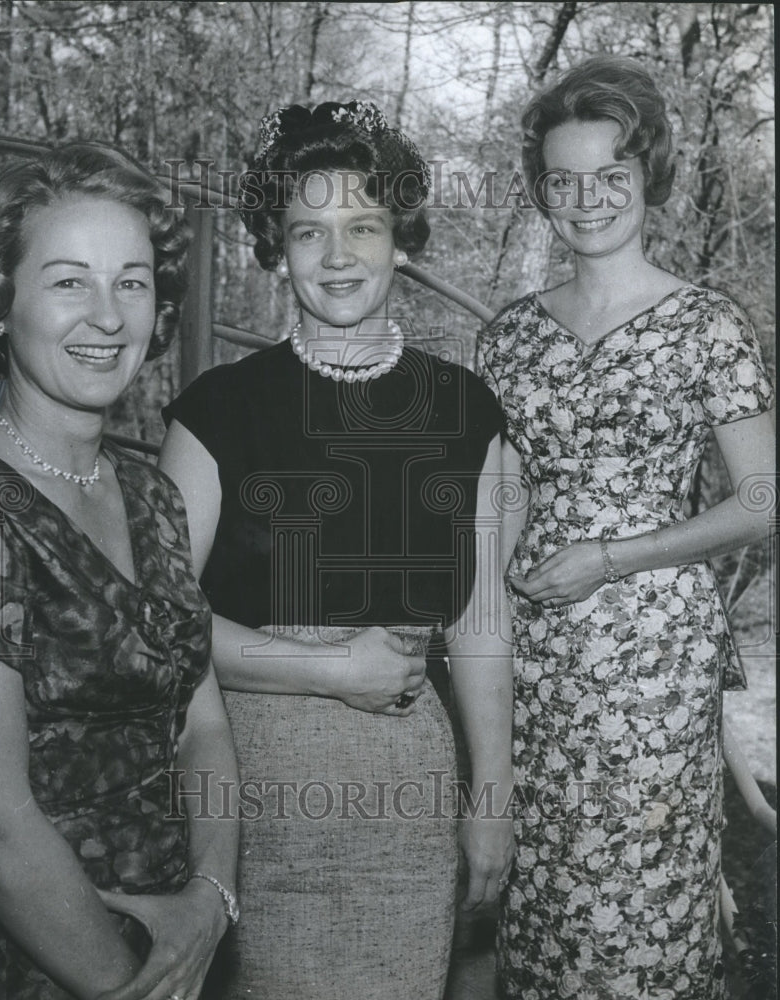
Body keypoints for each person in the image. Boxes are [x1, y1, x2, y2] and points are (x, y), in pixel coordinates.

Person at [159, 101, 514, 1000]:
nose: (339, 254)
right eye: (307, 231)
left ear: (403, 241)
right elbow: (158, 629)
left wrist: (492, 800)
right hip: (248, 795)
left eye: (364, 225)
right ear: (276, 250)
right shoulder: (217, 409)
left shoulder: (467, 410)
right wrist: (326, 669)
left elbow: (479, 626)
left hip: (409, 795)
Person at [0, 142, 239, 1000]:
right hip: (48, 964)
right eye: (69, 281)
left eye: (131, 281)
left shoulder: (154, 493)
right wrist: (133, 985)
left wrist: (211, 898)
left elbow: (205, 729)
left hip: (188, 942)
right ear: (3, 305)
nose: (109, 316)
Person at [478, 57, 776, 1000]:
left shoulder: (706, 326)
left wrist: (612, 557)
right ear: (540, 193)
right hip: (536, 651)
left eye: (611, 175)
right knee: (546, 902)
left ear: (648, 178)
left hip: (653, 655)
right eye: (562, 181)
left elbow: (763, 499)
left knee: (645, 911)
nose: (586, 199)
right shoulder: (508, 338)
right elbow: (504, 499)